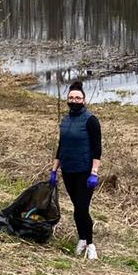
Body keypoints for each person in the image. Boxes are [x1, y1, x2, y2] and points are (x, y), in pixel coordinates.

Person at [51, 81, 102, 259]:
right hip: (68, 170)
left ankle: (90, 244)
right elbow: (61, 146)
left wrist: (94, 173)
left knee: (81, 209)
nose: (74, 100)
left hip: (85, 172)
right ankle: (81, 239)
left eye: (77, 98)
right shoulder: (65, 121)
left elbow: (97, 149)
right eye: (71, 97)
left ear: (84, 100)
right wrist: (54, 170)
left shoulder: (91, 120)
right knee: (76, 207)